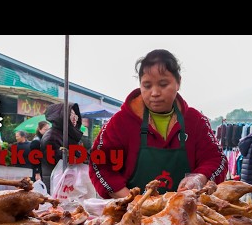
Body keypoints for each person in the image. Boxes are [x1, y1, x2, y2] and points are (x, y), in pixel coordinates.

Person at [89, 49, 227, 198]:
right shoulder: (120, 122)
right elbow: (99, 163)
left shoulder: (196, 121)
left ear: (178, 82)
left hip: (185, 214)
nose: (154, 93)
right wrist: (129, 200)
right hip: (132, 215)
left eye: (163, 84)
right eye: (147, 86)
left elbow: (217, 159)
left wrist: (200, 177)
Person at [40, 102, 84, 191]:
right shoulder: (51, 137)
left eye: (76, 115)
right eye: (71, 115)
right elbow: (59, 160)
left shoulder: (67, 134)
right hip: (56, 183)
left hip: (67, 181)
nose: (75, 118)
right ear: (61, 117)